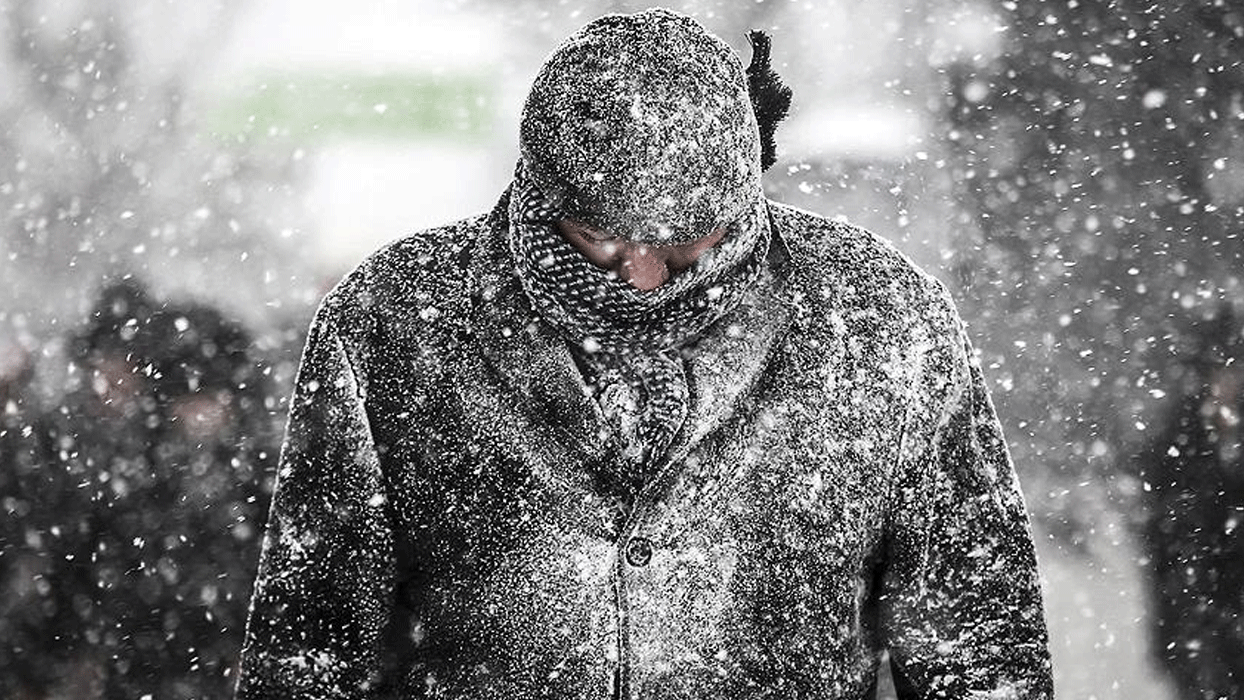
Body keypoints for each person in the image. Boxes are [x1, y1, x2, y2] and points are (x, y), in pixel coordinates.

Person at [236, 9, 1053, 699]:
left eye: (688, 241)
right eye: (599, 238)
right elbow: (313, 641)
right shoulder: (394, 321)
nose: (645, 277)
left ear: (746, 192)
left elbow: (978, 646)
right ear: (539, 194)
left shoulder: (881, 322)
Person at [1134, 305, 1243, 699]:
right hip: (1198, 628)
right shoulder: (1178, 446)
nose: (1231, 381)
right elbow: (1169, 551)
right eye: (1224, 369)